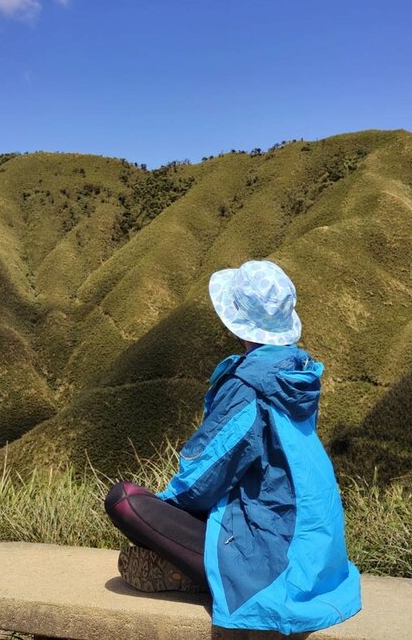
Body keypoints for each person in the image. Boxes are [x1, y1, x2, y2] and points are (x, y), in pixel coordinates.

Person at [104, 259, 362, 635]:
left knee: (124, 500)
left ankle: (199, 573)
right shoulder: (297, 373)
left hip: (272, 561)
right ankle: (195, 564)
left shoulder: (249, 385)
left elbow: (203, 476)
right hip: (316, 553)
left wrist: (163, 510)